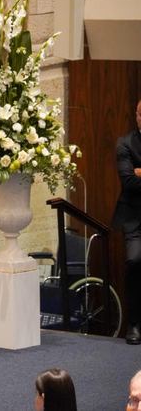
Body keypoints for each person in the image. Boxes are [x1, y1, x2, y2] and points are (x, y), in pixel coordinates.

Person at [111, 100, 141, 345]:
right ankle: (134, 325)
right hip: (135, 218)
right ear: (136, 115)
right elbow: (129, 181)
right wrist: (135, 173)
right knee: (134, 260)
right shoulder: (125, 143)